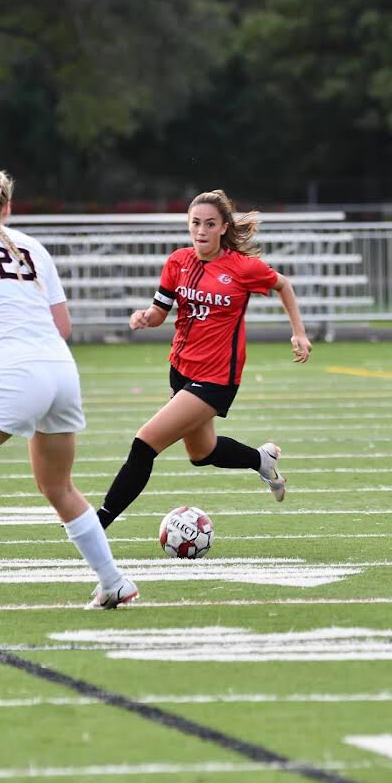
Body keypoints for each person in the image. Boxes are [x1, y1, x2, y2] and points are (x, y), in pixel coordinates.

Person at [0, 167, 138, 609]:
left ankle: (115, 581)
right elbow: (62, 326)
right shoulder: (33, 247)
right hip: (61, 372)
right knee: (58, 487)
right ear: (8, 206)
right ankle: (114, 582)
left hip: (17, 373)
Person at [96, 189, 312, 530]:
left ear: (224, 227)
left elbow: (283, 285)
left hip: (216, 378)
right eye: (195, 223)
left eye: (210, 224)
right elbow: (159, 312)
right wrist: (145, 317)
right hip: (181, 369)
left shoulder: (242, 268)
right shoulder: (178, 262)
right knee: (202, 453)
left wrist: (298, 332)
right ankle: (261, 459)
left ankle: (96, 524)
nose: (201, 230)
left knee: (144, 443)